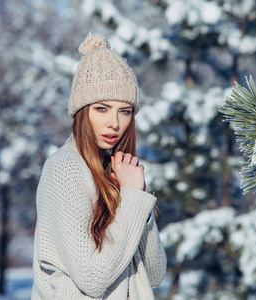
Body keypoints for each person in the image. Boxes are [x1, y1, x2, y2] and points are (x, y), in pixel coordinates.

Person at [31, 33, 167, 299]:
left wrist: (136, 198)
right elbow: (92, 279)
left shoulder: (117, 171)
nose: (114, 123)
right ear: (83, 112)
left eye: (125, 111)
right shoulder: (65, 168)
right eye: (102, 109)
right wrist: (131, 198)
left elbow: (155, 274)